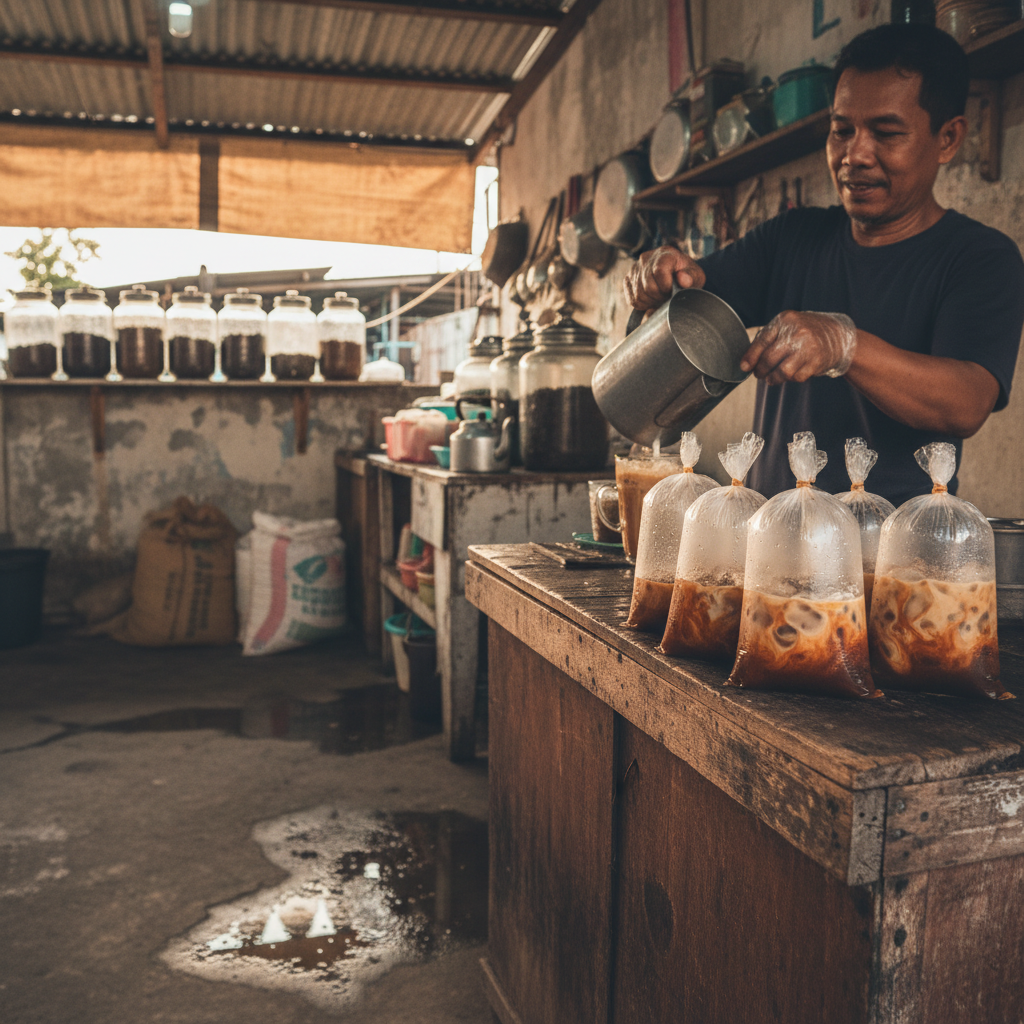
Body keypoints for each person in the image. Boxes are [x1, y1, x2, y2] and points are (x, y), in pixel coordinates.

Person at [625, 23, 1024, 504]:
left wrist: (844, 344)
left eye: (886, 132)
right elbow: (693, 300)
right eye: (842, 131)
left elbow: (967, 401)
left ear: (947, 138)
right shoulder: (793, 237)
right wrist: (665, 275)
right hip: (772, 543)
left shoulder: (981, 258)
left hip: (890, 560)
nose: (854, 154)